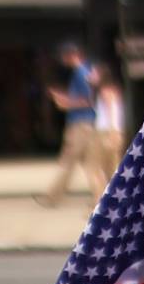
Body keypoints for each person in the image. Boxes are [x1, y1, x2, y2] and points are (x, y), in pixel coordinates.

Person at [37, 42, 101, 208]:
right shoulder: (85, 71)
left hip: (80, 123)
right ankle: (101, 198)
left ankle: (53, 197)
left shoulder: (81, 73)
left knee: (68, 161)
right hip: (86, 123)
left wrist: (65, 102)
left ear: (73, 55)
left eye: (65, 55)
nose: (62, 59)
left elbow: (89, 100)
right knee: (90, 163)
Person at [90, 67, 126, 197]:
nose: (90, 75)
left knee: (95, 168)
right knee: (111, 168)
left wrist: (112, 132)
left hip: (105, 132)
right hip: (114, 131)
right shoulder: (113, 89)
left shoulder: (106, 90)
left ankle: (100, 201)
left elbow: (112, 110)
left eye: (94, 72)